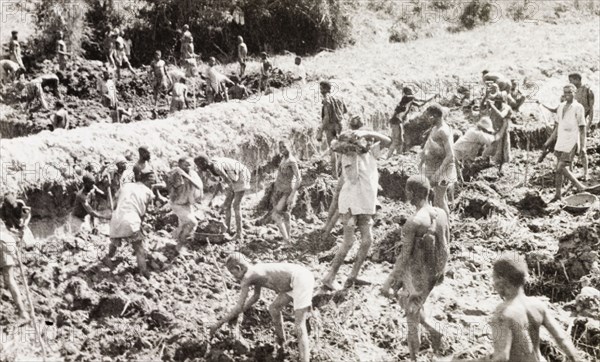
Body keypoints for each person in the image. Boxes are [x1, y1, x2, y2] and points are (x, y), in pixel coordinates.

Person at [381, 175, 449, 362]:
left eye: (407, 190)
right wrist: (441, 271)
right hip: (433, 271)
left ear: (411, 193)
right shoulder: (441, 213)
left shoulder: (413, 222)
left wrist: (388, 282)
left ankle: (414, 358)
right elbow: (446, 243)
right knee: (412, 304)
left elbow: (404, 257)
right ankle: (434, 332)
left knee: (411, 315)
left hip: (418, 274)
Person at [321, 125, 391, 290]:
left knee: (367, 241)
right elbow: (352, 179)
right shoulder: (349, 158)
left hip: (365, 204)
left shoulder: (370, 153)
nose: (365, 142)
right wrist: (352, 153)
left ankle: (353, 276)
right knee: (348, 242)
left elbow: (388, 141)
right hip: (351, 205)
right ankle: (329, 277)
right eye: (361, 140)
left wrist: (366, 132)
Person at [209, 253, 314, 362]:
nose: (232, 276)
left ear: (238, 268)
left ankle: (304, 359)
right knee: (274, 308)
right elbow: (255, 297)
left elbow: (239, 306)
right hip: (293, 282)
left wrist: (218, 324)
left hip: (300, 279)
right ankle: (282, 343)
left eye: (232, 272)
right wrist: (239, 312)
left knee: (299, 326)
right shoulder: (254, 270)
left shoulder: (247, 278)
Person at [486, 255, 579, 362]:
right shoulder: (538, 305)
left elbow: (502, 358)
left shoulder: (503, 312)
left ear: (501, 279)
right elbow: (562, 339)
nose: (494, 284)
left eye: (494, 278)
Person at [103, 172, 159, 279]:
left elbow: (114, 204)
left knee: (115, 241)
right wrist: (141, 226)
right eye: (152, 181)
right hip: (131, 221)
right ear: (147, 180)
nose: (152, 184)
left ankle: (108, 257)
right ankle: (143, 272)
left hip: (116, 219)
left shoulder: (126, 186)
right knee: (139, 248)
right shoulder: (148, 192)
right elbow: (143, 214)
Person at [541, 85, 588, 202]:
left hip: (571, 140)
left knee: (561, 166)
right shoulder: (561, 106)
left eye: (569, 92)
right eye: (565, 92)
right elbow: (557, 127)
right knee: (558, 170)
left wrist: (583, 147)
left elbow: (582, 128)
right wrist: (548, 142)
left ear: (574, 93)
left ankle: (580, 186)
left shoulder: (578, 107)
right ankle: (558, 195)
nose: (567, 94)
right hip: (561, 140)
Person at [321, 115, 365, 236]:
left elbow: (335, 152)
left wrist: (336, 172)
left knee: (338, 199)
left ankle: (327, 226)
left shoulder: (347, 138)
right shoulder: (362, 137)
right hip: (355, 172)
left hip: (349, 171)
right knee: (342, 201)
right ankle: (329, 227)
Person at [194, 155, 251, 241]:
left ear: (204, 163)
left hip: (242, 174)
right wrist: (212, 199)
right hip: (234, 176)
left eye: (199, 166)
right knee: (227, 206)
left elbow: (230, 182)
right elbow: (220, 182)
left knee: (236, 205)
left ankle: (239, 234)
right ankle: (227, 230)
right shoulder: (210, 166)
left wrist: (226, 201)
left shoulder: (216, 168)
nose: (198, 168)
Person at [419, 103, 457, 217]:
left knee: (439, 201)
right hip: (434, 166)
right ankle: (440, 225)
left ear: (434, 116)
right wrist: (422, 161)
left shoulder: (443, 131)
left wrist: (437, 174)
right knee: (439, 198)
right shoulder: (435, 128)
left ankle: (445, 227)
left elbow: (450, 156)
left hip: (443, 170)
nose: (427, 119)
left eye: (428, 116)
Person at [0, 195, 32, 326]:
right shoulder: (2, 210)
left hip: (4, 242)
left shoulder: (20, 204)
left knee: (9, 279)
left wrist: (23, 225)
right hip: (8, 239)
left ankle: (23, 314)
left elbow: (27, 214)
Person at [387, 87, 436, 158]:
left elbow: (419, 104)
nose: (412, 92)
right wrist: (433, 96)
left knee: (400, 141)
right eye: (411, 91)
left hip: (397, 121)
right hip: (396, 121)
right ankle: (389, 156)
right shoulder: (407, 97)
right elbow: (421, 100)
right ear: (407, 92)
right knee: (396, 141)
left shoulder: (408, 99)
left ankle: (398, 156)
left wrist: (430, 99)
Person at [167, 157, 203, 253]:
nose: (188, 166)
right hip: (177, 204)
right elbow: (170, 190)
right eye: (185, 164)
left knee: (186, 226)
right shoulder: (174, 175)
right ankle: (180, 246)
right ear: (179, 165)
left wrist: (186, 176)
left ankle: (173, 240)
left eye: (189, 164)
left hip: (188, 204)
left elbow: (199, 186)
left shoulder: (192, 173)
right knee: (192, 223)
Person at [271, 142, 302, 243]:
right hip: (279, 191)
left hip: (287, 192)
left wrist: (292, 195)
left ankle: (286, 240)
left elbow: (299, 178)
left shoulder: (292, 161)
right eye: (280, 147)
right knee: (286, 215)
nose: (282, 149)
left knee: (275, 215)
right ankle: (288, 239)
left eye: (284, 146)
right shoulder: (283, 159)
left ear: (290, 147)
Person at [317, 80, 348, 179]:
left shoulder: (326, 99)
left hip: (331, 126)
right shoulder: (339, 97)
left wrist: (320, 131)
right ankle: (343, 172)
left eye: (321, 88)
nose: (320, 91)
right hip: (340, 125)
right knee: (341, 149)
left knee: (333, 150)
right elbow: (345, 111)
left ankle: (335, 175)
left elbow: (326, 118)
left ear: (326, 89)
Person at [569, 72, 594, 180]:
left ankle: (585, 173)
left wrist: (589, 123)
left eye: (572, 80)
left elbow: (591, 108)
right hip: (572, 122)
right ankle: (570, 172)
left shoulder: (588, 90)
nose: (570, 82)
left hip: (582, 122)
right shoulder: (572, 91)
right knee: (571, 147)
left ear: (578, 79)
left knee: (583, 149)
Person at [486, 92, 512, 176]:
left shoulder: (506, 107)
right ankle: (493, 168)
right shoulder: (494, 107)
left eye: (498, 102)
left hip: (503, 132)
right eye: (495, 102)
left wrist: (492, 106)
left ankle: (501, 169)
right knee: (493, 150)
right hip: (495, 131)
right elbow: (487, 115)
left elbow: (501, 115)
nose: (496, 103)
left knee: (503, 151)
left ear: (502, 101)